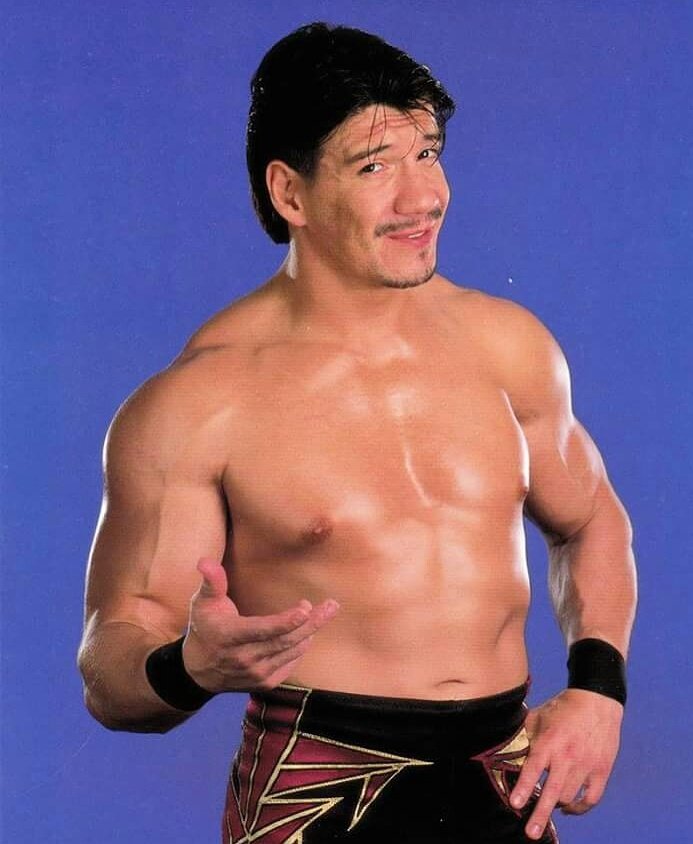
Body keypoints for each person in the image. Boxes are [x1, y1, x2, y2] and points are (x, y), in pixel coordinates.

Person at [78, 22, 637, 844]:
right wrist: (186, 667)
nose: (422, 198)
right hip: (319, 788)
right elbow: (111, 667)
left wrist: (596, 687)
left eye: (427, 153)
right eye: (374, 166)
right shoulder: (200, 401)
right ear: (290, 193)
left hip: (499, 775)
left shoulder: (508, 345)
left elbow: (590, 521)